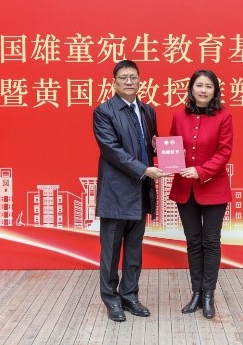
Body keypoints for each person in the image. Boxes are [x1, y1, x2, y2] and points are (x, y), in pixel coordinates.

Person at [93, 59, 166, 322]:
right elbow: (112, 151)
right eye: (123, 77)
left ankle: (130, 296)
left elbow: (150, 144)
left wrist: (159, 148)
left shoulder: (148, 111)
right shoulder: (104, 112)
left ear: (139, 81)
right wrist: (144, 170)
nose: (128, 81)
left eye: (133, 77)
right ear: (114, 83)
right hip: (116, 193)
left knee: (134, 250)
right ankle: (111, 299)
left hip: (140, 191)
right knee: (111, 252)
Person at [168, 69, 233, 319]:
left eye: (208, 86)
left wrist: (201, 171)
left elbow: (224, 152)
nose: (203, 90)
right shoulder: (179, 116)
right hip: (185, 189)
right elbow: (173, 149)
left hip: (213, 188)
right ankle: (196, 293)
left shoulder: (224, 117)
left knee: (211, 242)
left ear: (215, 91)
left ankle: (208, 295)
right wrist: (158, 149)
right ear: (191, 89)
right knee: (193, 242)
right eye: (199, 85)